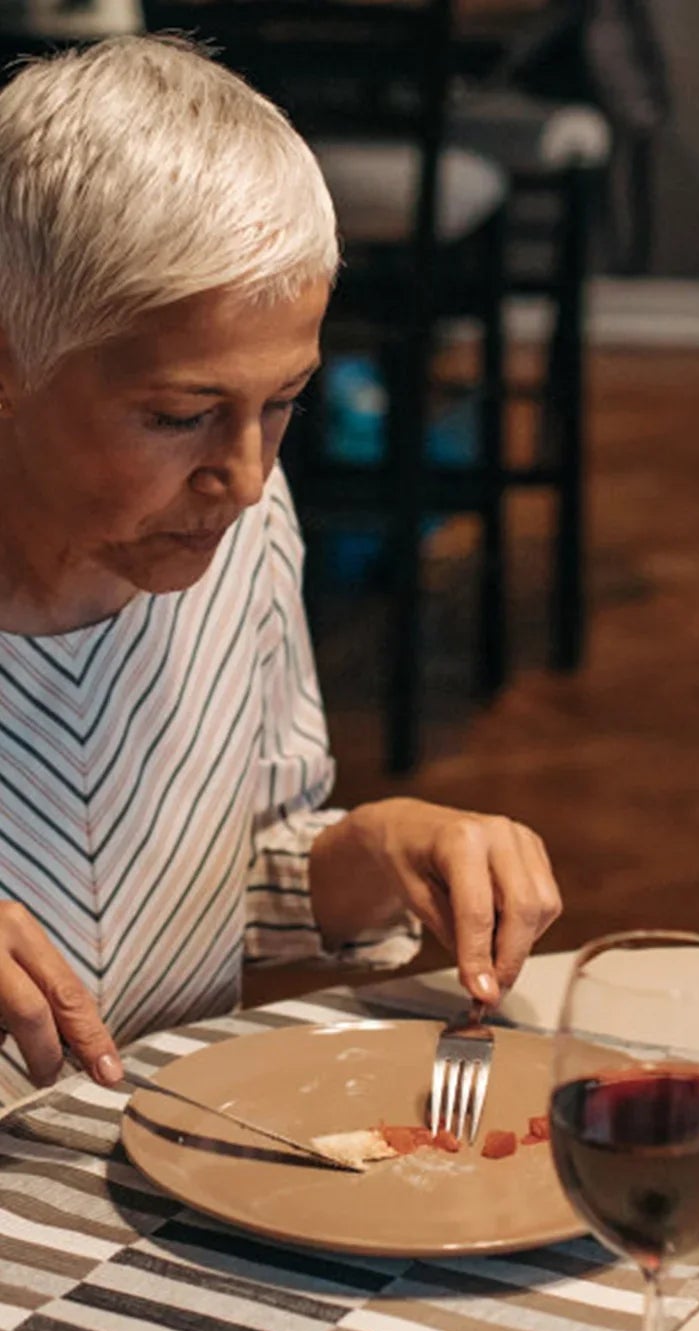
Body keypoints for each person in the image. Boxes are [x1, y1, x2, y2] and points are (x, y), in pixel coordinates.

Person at [0, 37, 562, 1099]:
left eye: (285, 401)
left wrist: (384, 847)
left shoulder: (233, 529)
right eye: (180, 415)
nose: (248, 477)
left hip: (139, 1174)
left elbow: (232, 873)